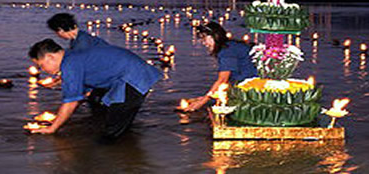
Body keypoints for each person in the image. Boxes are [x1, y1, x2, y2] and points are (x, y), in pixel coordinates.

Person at [27, 39, 161, 141]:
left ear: (50, 57)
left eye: (41, 65)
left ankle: (119, 156)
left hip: (133, 79)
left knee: (111, 131)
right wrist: (63, 83)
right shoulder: (72, 57)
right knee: (113, 116)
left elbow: (72, 101)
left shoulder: (70, 64)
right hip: (129, 76)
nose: (43, 70)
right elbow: (84, 83)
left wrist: (52, 128)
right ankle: (128, 141)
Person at [184, 22, 257, 111]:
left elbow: (223, 79)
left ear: (214, 37)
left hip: (253, 86)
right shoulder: (231, 46)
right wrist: (207, 97)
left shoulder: (226, 51)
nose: (204, 43)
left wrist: (202, 102)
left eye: (204, 39)